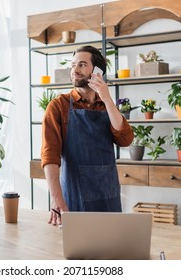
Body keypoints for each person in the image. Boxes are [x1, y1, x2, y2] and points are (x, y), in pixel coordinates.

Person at [40, 45, 134, 226]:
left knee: (111, 248)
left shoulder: (106, 105)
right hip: (75, 195)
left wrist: (106, 98)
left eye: (82, 65)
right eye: (73, 65)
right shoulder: (58, 106)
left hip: (108, 195)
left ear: (97, 72)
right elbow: (50, 156)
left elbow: (125, 140)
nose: (75, 70)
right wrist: (56, 198)